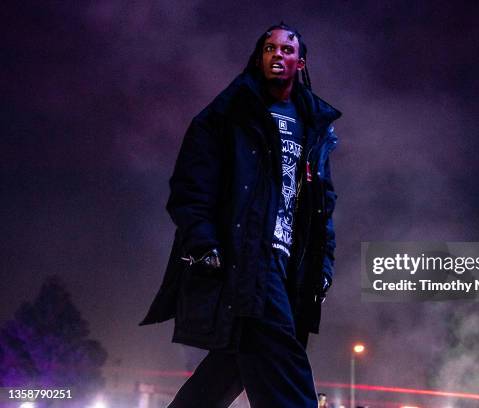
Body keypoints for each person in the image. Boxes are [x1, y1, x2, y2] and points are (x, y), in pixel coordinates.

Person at [140, 22, 341, 408]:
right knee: (284, 360)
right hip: (245, 256)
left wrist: (324, 266)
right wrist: (203, 239)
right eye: (269, 49)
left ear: (301, 62)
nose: (277, 55)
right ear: (258, 57)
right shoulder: (228, 115)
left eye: (286, 49)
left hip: (289, 268)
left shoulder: (313, 129)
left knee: (235, 360)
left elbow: (323, 207)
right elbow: (190, 185)